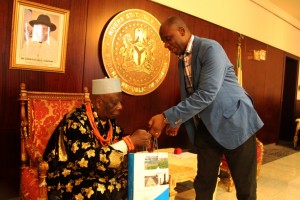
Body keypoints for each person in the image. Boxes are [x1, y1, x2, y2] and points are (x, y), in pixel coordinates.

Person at [148, 16, 264, 200]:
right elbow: (189, 95)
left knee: (245, 188)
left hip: (236, 122)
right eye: (163, 41)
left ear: (182, 31)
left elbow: (207, 93)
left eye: (168, 39)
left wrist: (166, 117)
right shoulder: (181, 60)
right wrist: (179, 119)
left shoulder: (210, 48)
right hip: (207, 127)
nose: (166, 45)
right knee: (203, 183)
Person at [43, 78, 152, 200]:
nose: (120, 107)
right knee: (100, 190)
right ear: (99, 103)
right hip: (69, 175)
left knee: (136, 177)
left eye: (121, 102)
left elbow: (121, 141)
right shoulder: (75, 120)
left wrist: (139, 141)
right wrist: (130, 142)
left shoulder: (109, 121)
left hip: (99, 172)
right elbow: (85, 160)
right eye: (115, 103)